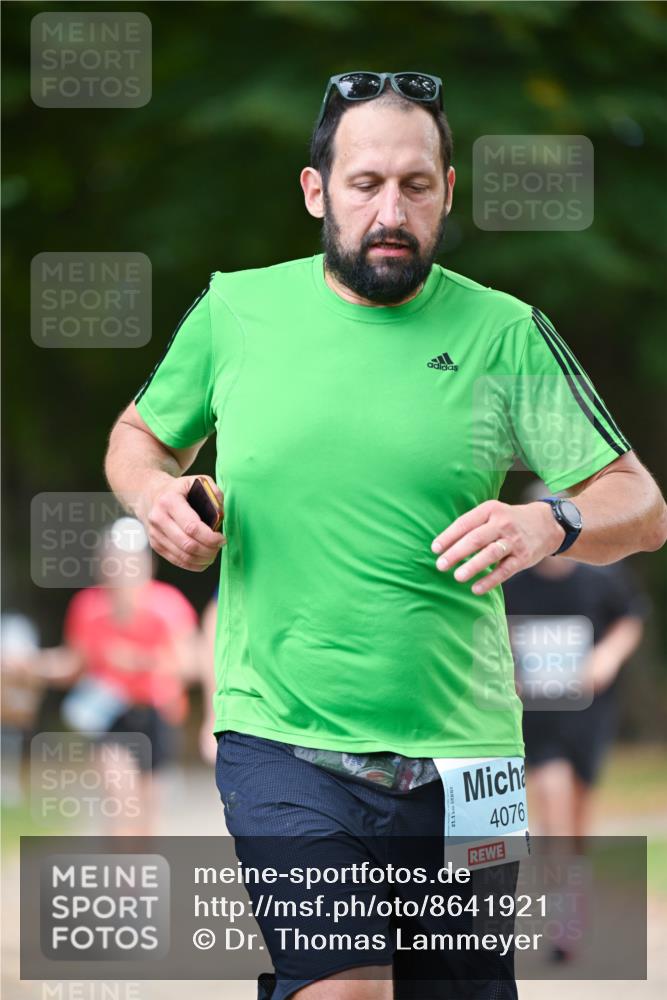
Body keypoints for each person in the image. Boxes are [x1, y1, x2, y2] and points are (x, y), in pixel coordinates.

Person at [105, 70, 667, 999]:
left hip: (468, 754)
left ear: (448, 190)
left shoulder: (505, 335)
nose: (391, 208)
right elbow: (138, 440)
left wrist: (550, 519)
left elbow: (639, 506)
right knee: (344, 987)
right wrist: (149, 495)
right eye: (366, 183)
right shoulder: (239, 312)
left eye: (416, 183)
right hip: (283, 739)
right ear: (317, 190)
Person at [503, 483, 648, 839]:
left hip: (589, 708)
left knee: (580, 799)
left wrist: (607, 657)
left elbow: (631, 616)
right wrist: (508, 669)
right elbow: (496, 626)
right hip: (538, 707)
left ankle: (571, 877)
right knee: (552, 786)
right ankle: (559, 883)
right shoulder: (512, 580)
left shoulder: (602, 575)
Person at [61, 517, 199, 833]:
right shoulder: (87, 605)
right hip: (111, 715)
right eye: (111, 561)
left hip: (157, 713)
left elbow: (190, 666)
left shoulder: (167, 605)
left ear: (144, 564)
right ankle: (123, 878)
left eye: (125, 562)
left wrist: (142, 662)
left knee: (148, 812)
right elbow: (73, 664)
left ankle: (141, 876)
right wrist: (30, 665)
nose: (117, 569)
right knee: (121, 799)